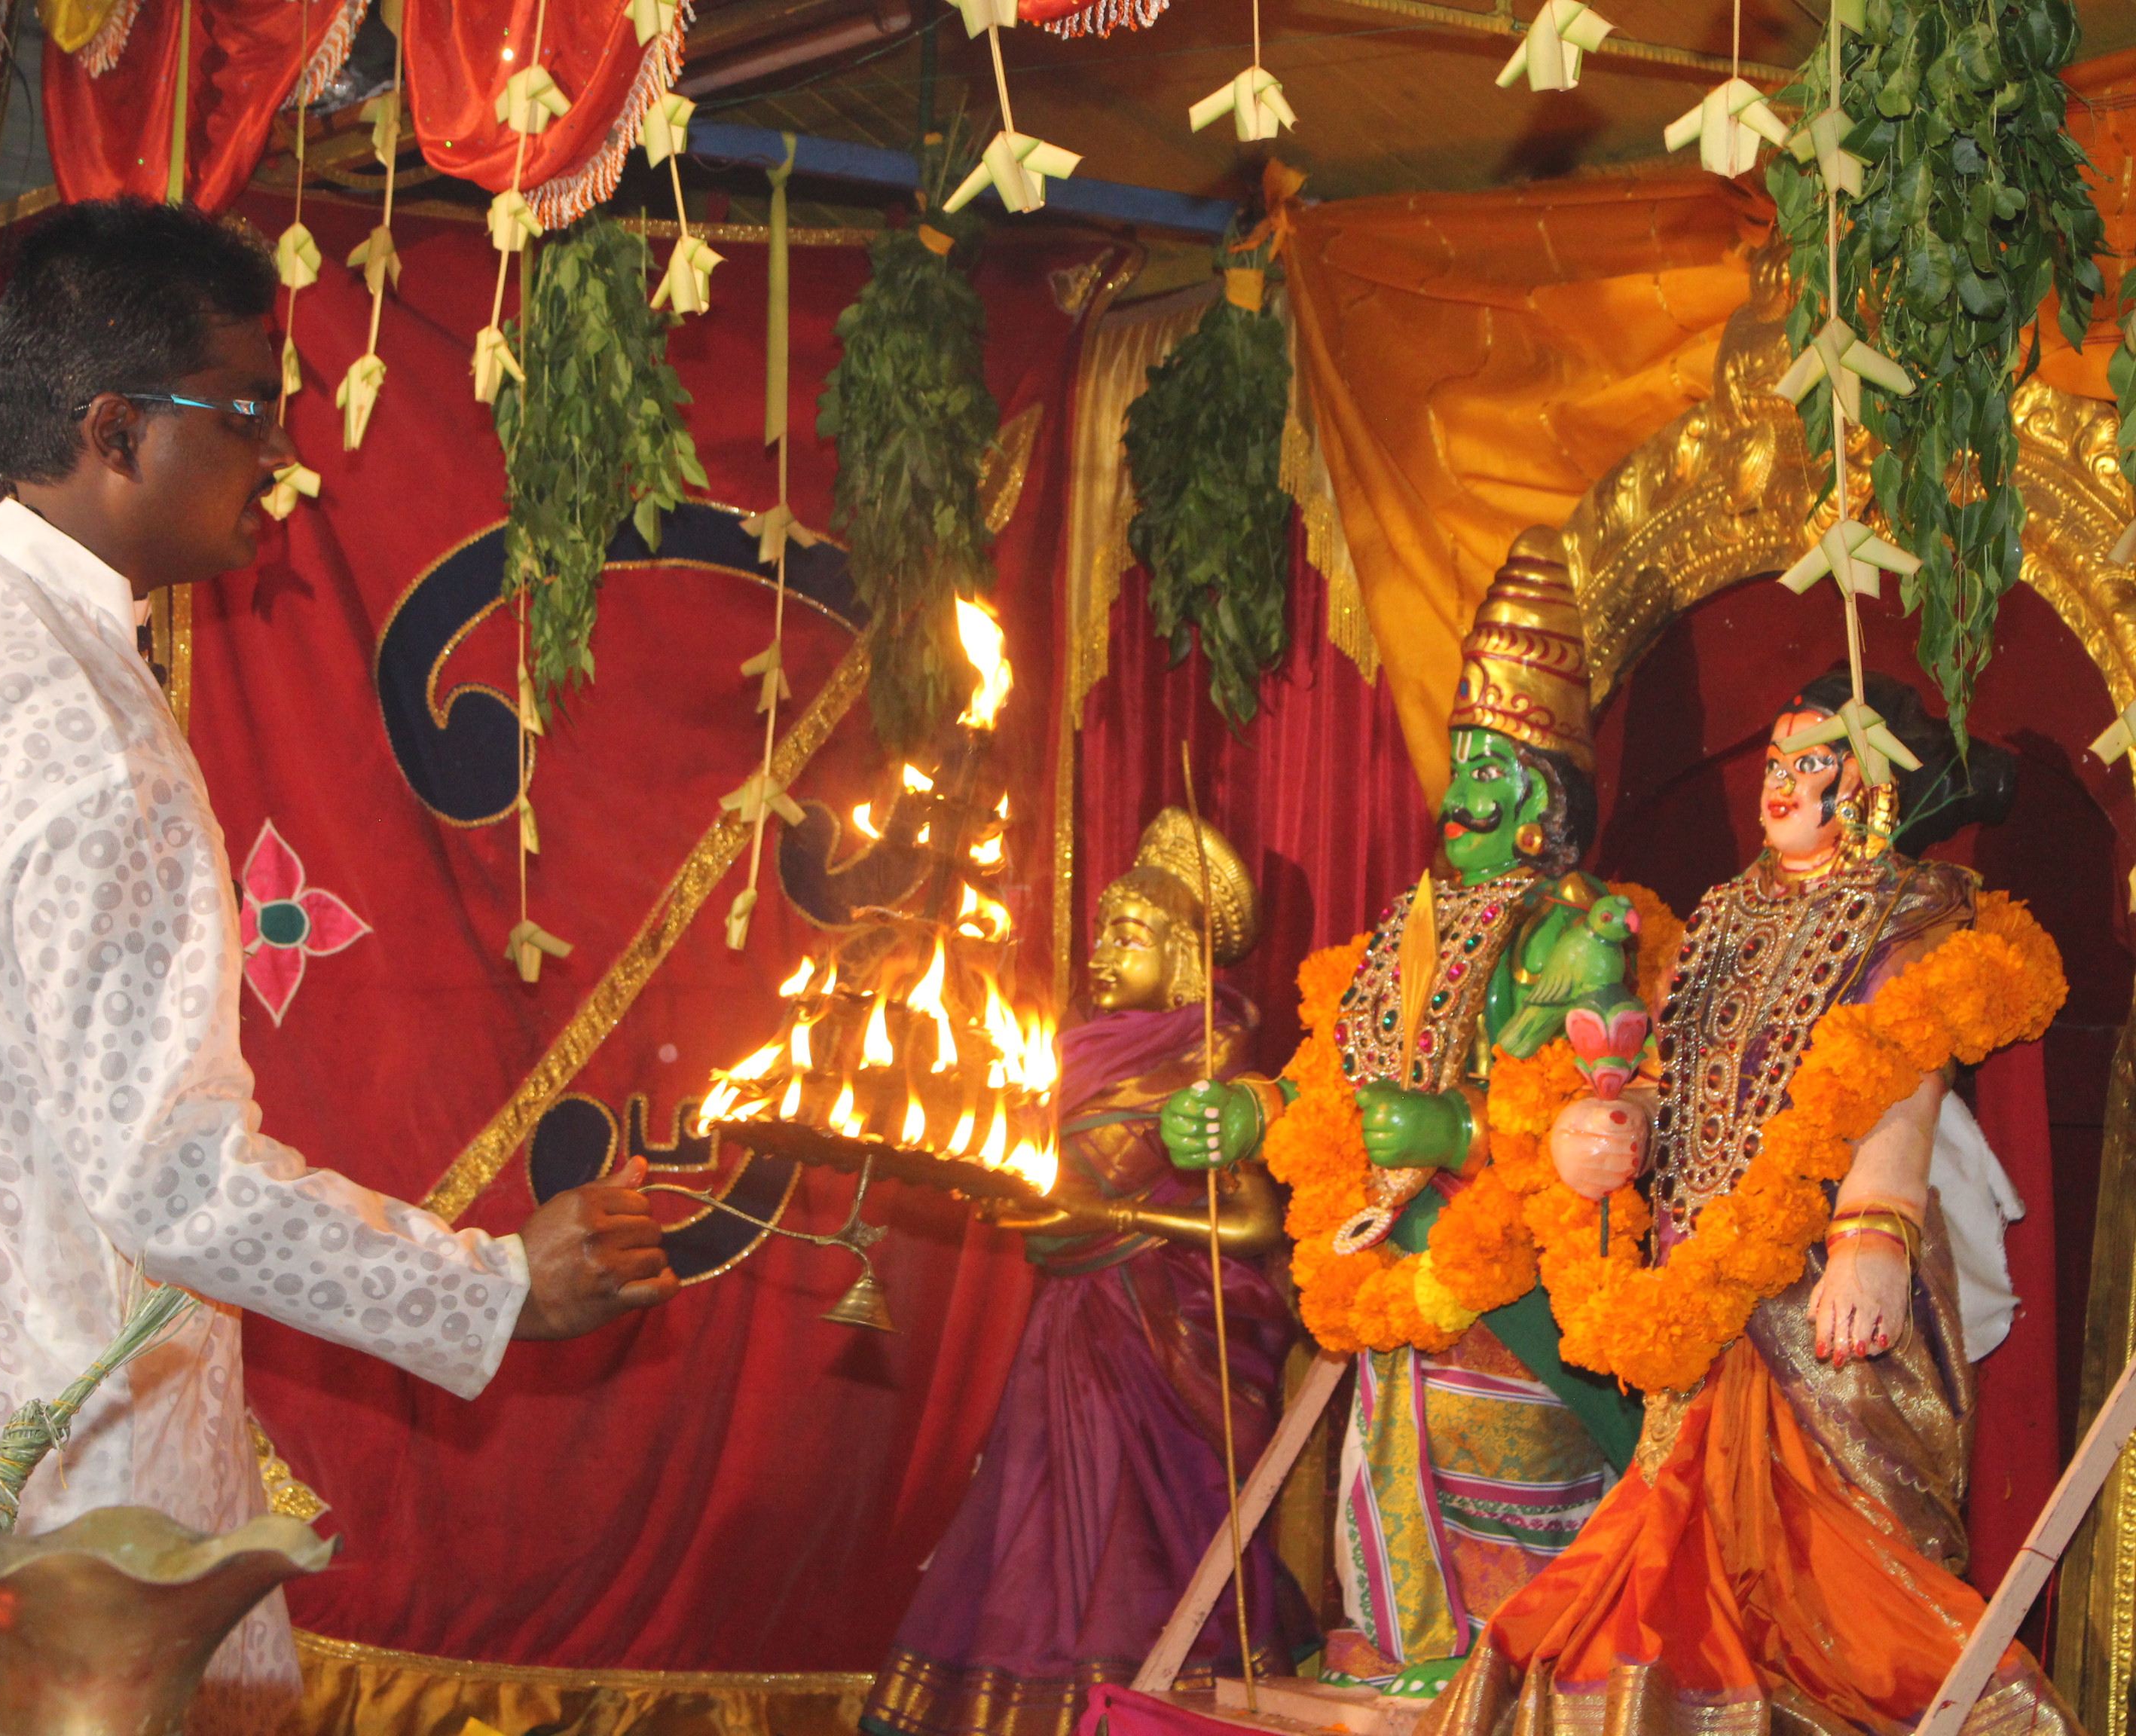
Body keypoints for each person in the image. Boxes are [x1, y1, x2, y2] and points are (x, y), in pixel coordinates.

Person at [0, 198, 680, 1736]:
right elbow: (172, 1183)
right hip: (41, 1520)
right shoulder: (78, 722)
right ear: (114, 430)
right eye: (248, 417)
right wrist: (489, 1290)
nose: (281, 462)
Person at [1421, 671, 2073, 1736]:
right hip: (1699, 1276)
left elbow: (1901, 1083)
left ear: (1869, 783)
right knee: (1671, 1545)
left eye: (1812, 763)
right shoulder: (1723, 914)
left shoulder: (1914, 912)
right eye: (1775, 761)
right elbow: (1662, 1068)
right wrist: (1605, 1129)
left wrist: (1873, 1232)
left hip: (1827, 1269)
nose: (1781, 783)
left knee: (1841, 1566)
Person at [1196, 542, 1645, 1697]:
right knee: (1383, 1482)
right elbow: (1328, 1083)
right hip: (1398, 1288)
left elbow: (1601, 1118)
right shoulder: (1402, 934)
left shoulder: (1583, 938)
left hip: (1519, 1303)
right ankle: (1416, 1656)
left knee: (1501, 1484)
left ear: (1547, 795)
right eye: (1462, 761)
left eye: (1493, 765)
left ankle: (1509, 1680)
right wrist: (1249, 1112)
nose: (1463, 794)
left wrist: (1455, 1138)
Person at [860, 808, 1319, 1736]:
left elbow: (1259, 1221)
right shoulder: (1065, 1051)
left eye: (1132, 937)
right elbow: (1043, 1176)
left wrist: (1113, 1219)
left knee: (1135, 1545)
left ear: (1184, 955)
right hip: (1067, 1323)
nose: (1104, 953)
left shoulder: (1215, 1057)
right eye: (1102, 931)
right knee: (1035, 1525)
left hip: (1166, 1338)